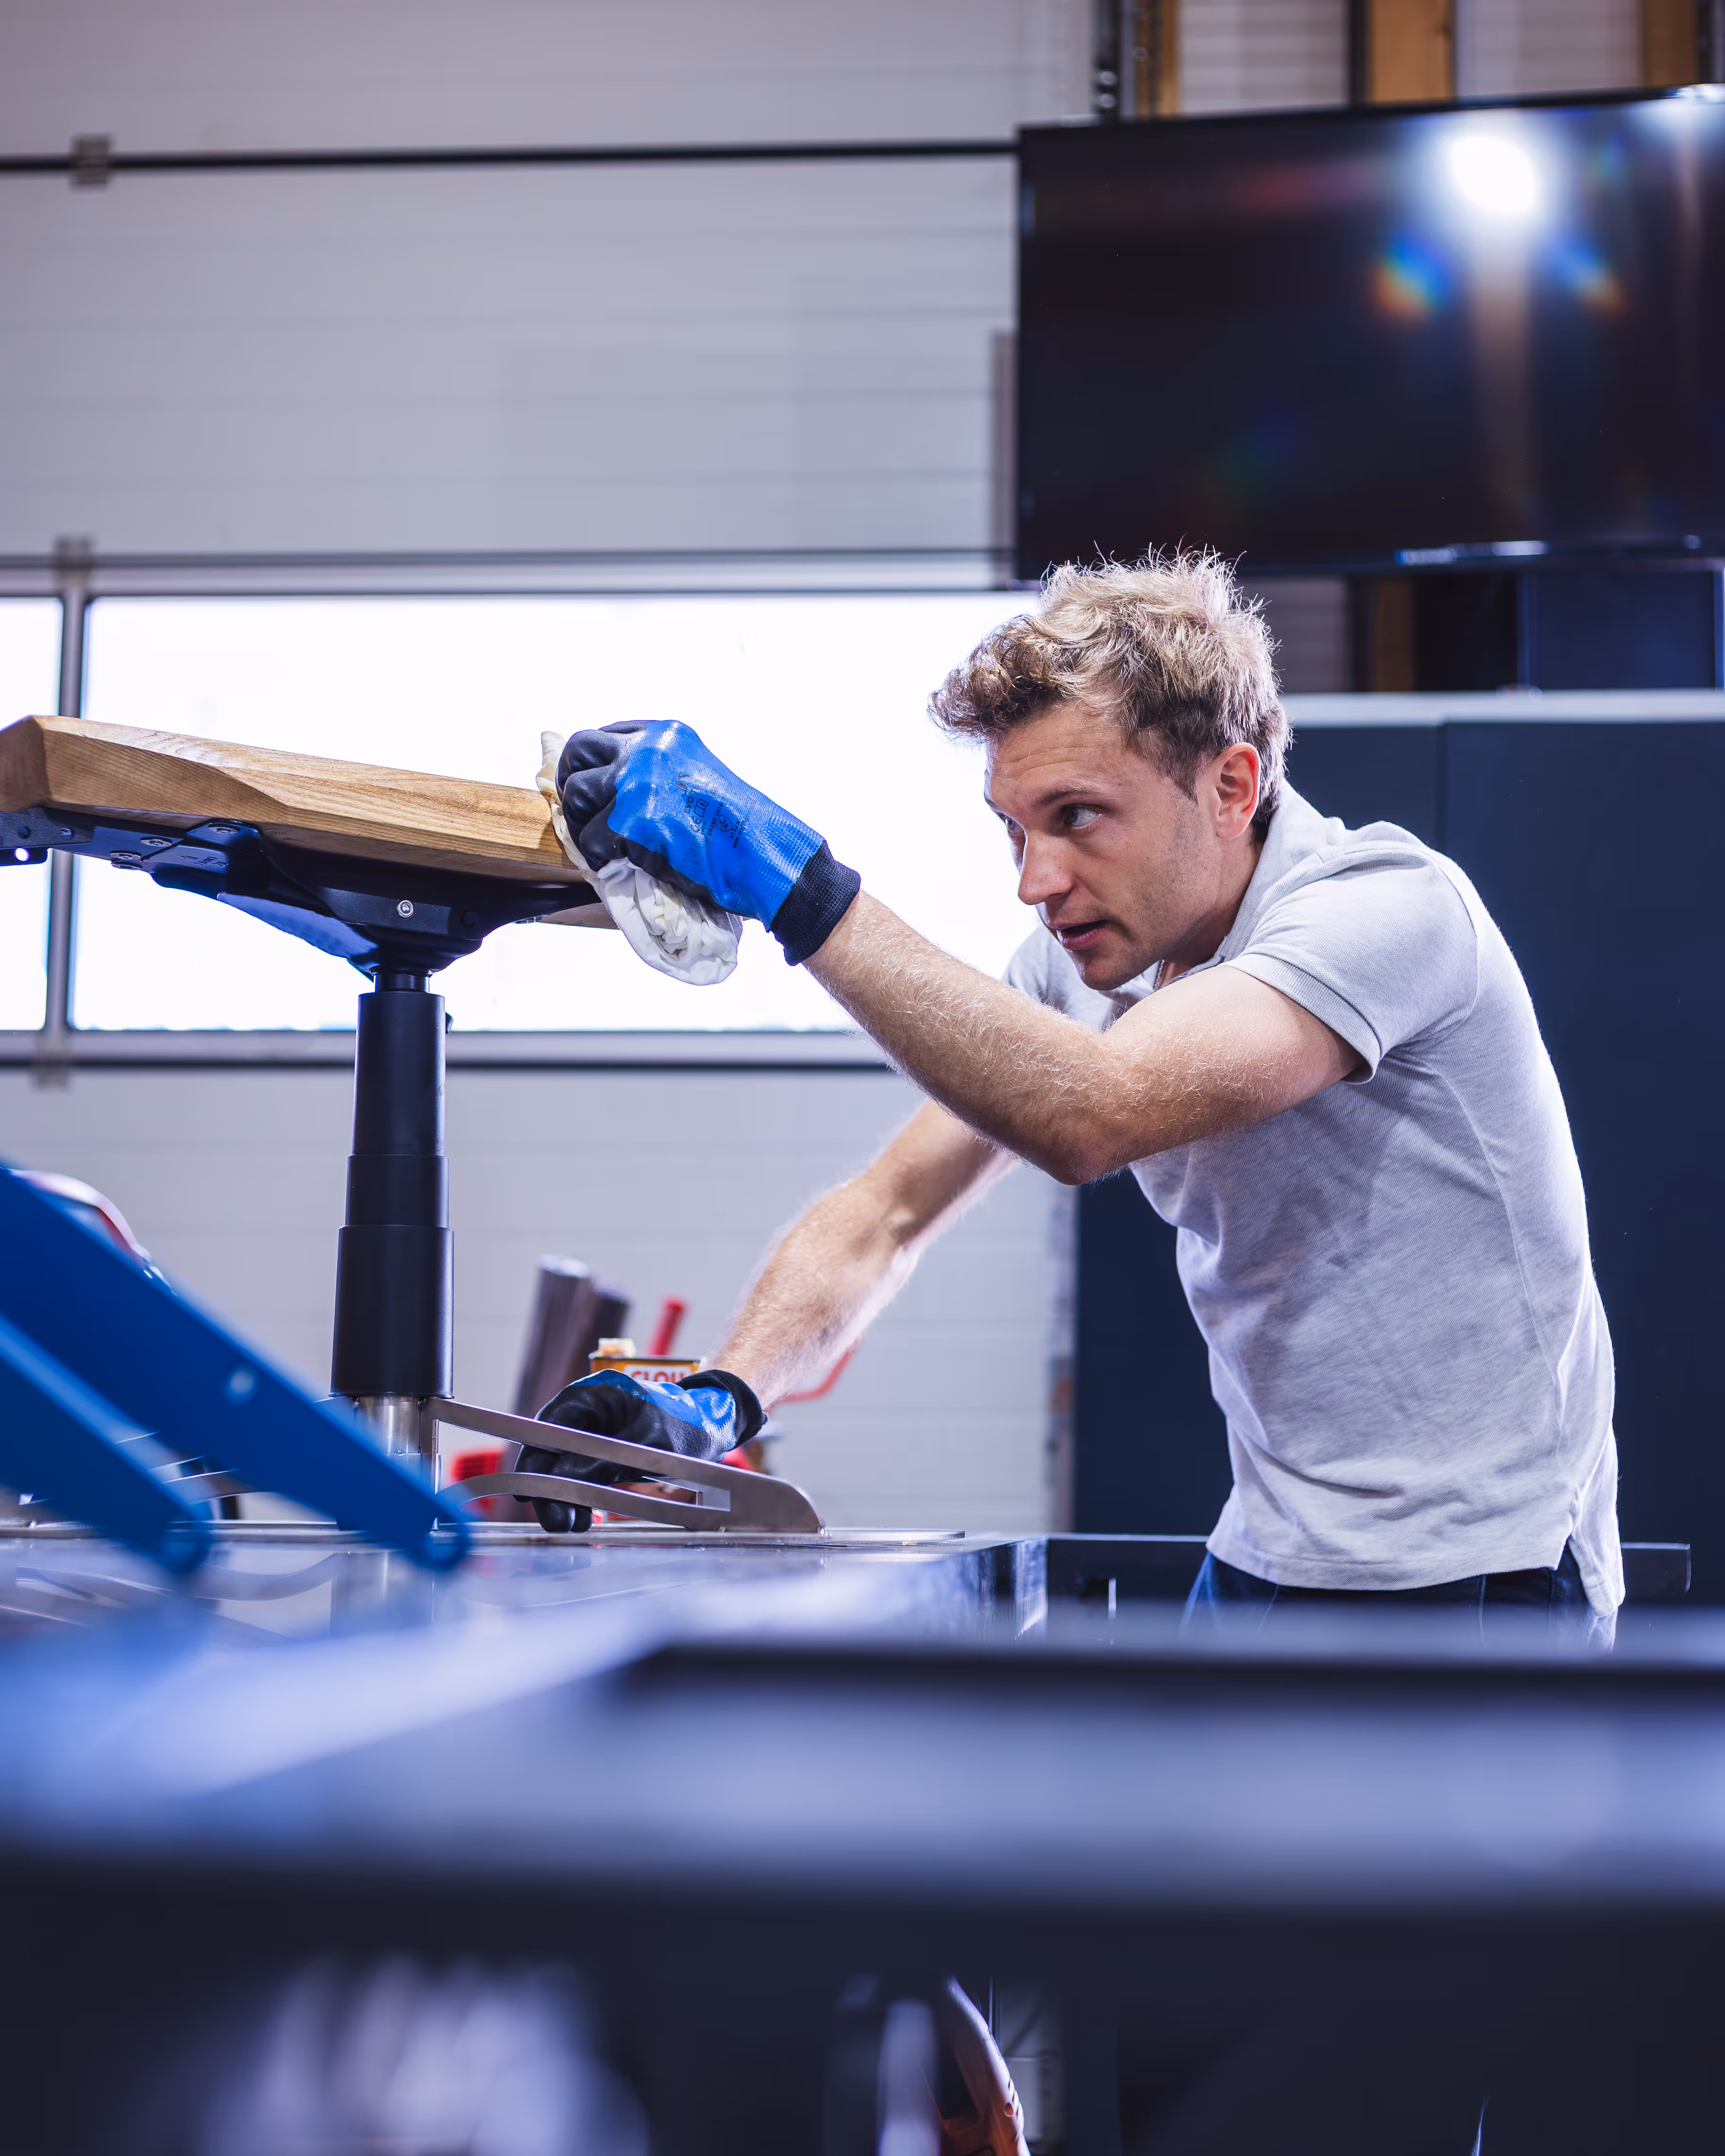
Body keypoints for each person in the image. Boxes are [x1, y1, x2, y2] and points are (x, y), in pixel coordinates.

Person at [522, 553, 1620, 1643]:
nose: (1034, 881)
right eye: (1015, 829)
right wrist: (719, 1399)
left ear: (1232, 786)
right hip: (1267, 1548)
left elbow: (1097, 1112)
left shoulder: (1387, 912)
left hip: (1482, 1566)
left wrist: (793, 887)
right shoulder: (1078, 969)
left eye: (1079, 816)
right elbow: (886, 1213)